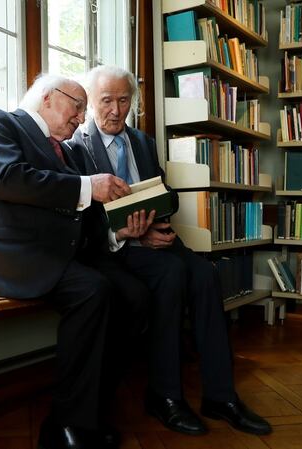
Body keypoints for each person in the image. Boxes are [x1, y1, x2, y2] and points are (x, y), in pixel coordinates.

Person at [66, 66, 272, 436]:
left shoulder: (142, 142)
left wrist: (157, 215)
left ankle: (221, 396)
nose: (115, 110)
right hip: (115, 248)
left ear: (133, 101)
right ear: (91, 102)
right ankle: (165, 396)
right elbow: (80, 221)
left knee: (207, 274)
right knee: (171, 274)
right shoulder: (76, 148)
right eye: (106, 101)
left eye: (123, 100)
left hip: (157, 239)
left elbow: (168, 195)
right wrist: (129, 233)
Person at [0, 73, 153, 449]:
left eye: (84, 111)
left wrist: (118, 234)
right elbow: (7, 178)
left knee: (136, 297)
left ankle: (91, 412)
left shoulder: (72, 151)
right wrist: (88, 186)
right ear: (47, 97)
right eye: (78, 107)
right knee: (93, 291)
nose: (82, 118)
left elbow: (80, 218)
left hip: (57, 256)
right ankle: (67, 425)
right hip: (7, 258)